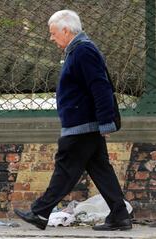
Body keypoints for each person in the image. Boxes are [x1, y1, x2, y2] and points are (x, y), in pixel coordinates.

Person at [13, 10, 132, 231]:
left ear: (66, 30)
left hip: (82, 125)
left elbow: (100, 86)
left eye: (53, 33)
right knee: (101, 170)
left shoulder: (83, 51)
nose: (51, 38)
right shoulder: (77, 51)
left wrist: (106, 122)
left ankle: (40, 212)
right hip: (84, 124)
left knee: (65, 168)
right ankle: (119, 216)